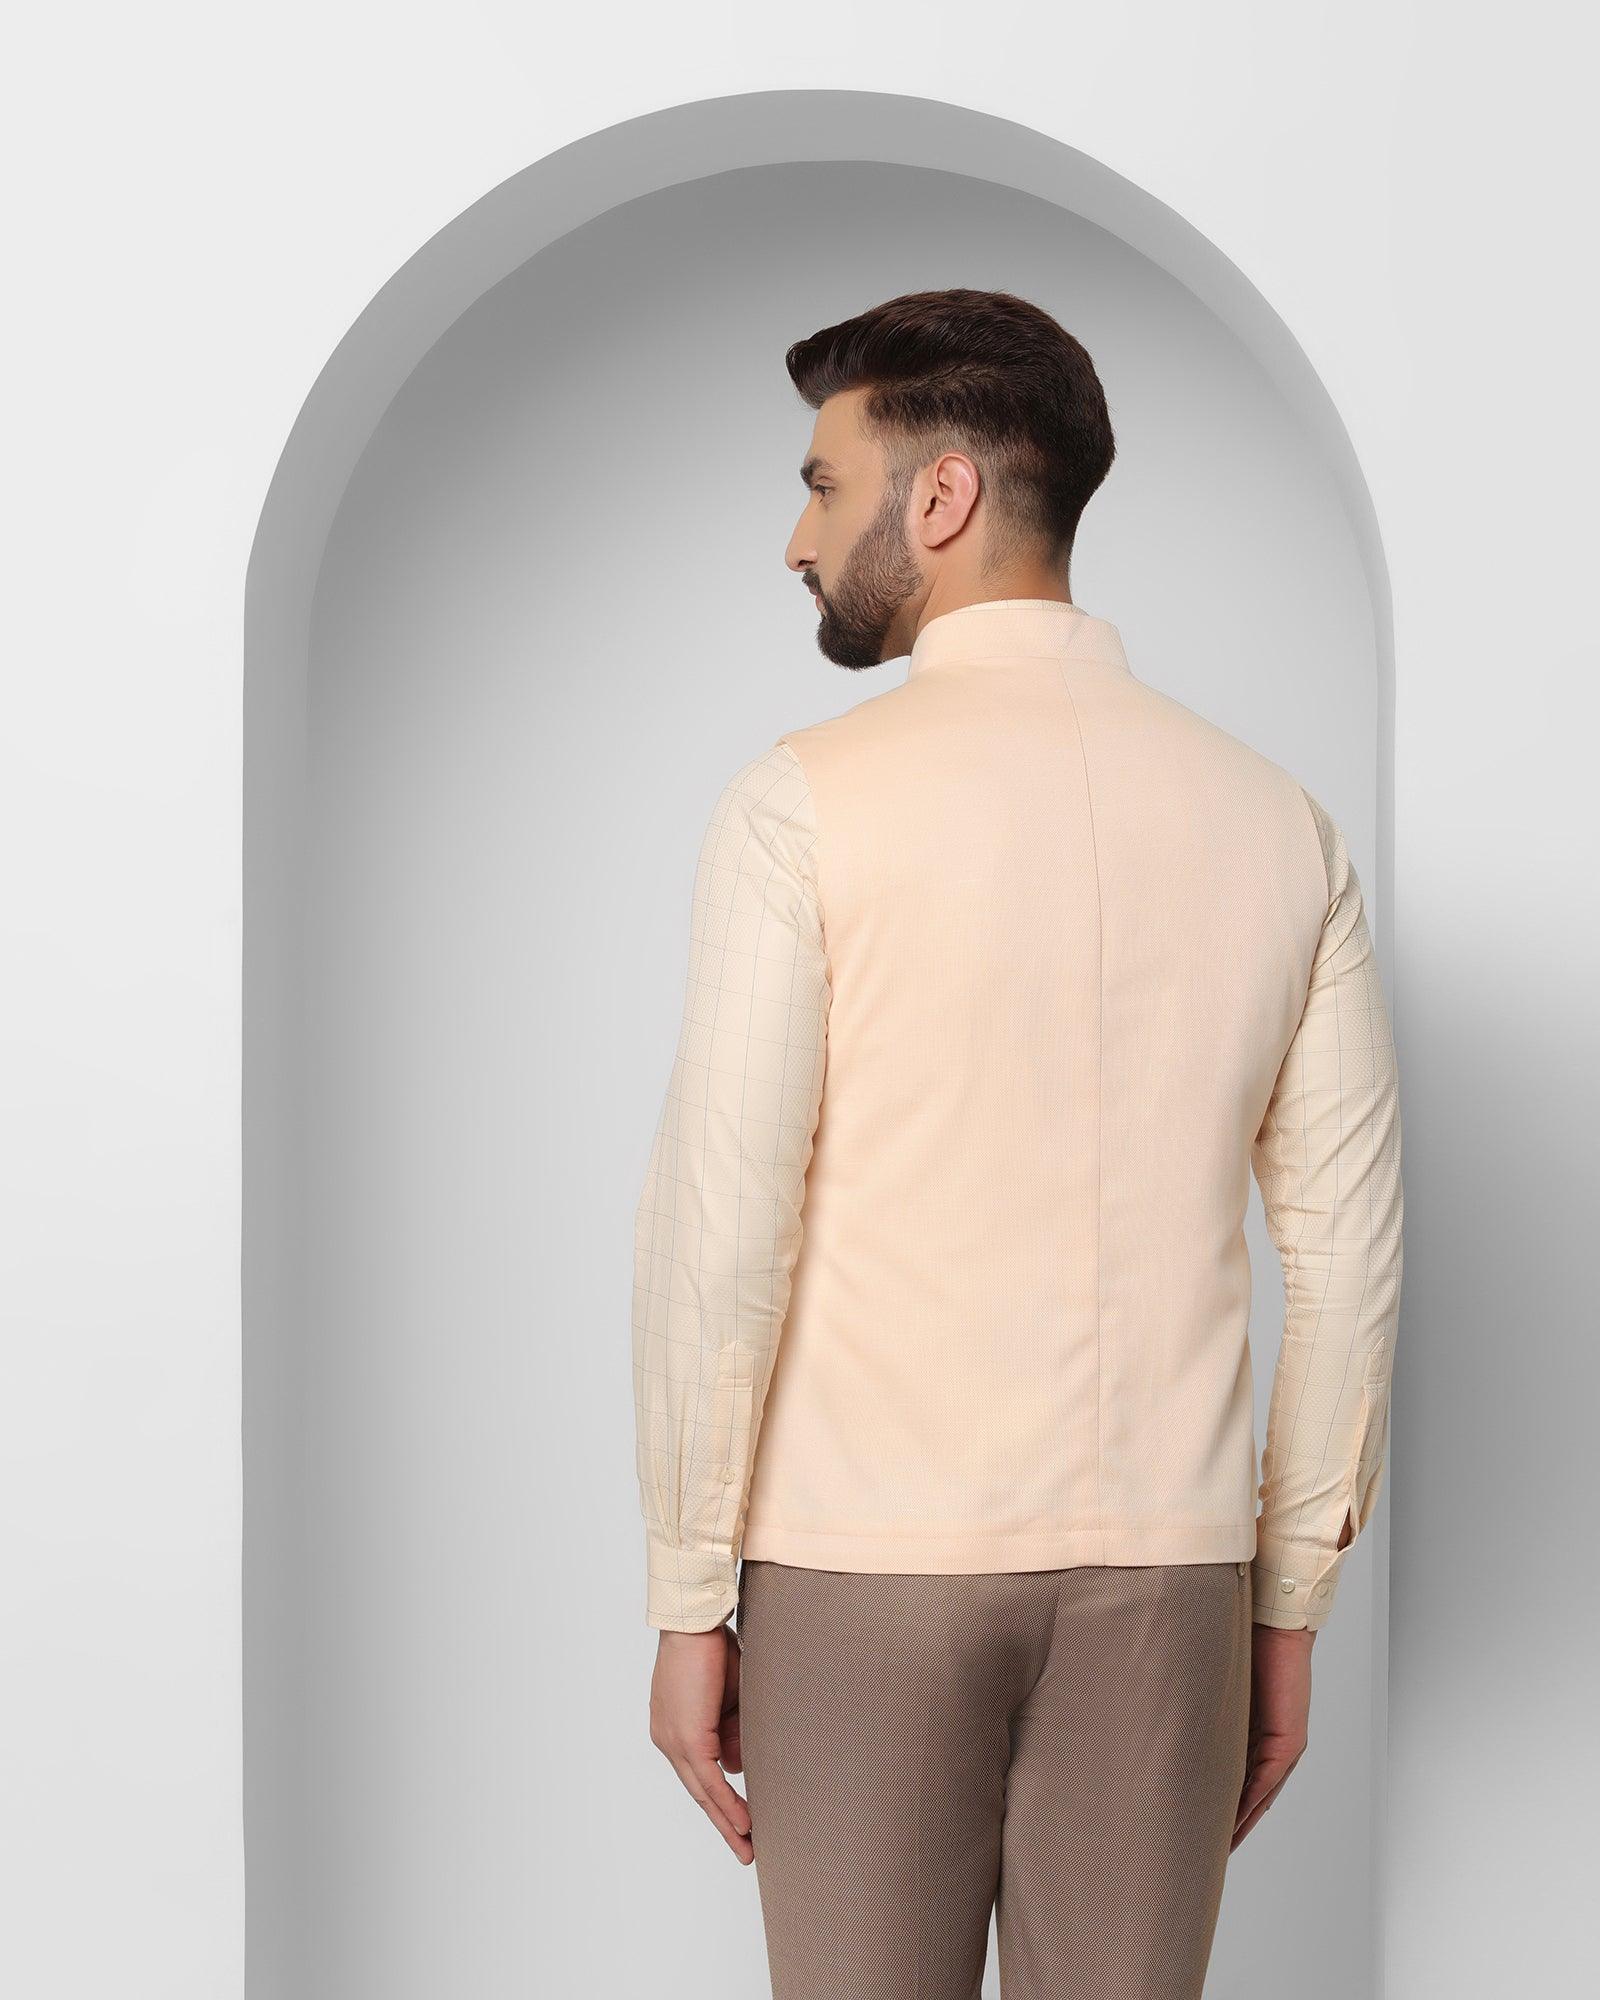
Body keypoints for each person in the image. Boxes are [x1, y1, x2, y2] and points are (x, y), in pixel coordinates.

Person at [630, 287, 1403, 1999]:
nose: (795, 539)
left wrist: (689, 1595)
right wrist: (1284, 1608)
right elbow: (1349, 1263)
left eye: (822, 485)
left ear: (944, 495)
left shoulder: (799, 808)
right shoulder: (1280, 827)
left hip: (863, 1565)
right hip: (1170, 1576)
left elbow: (722, 1233)